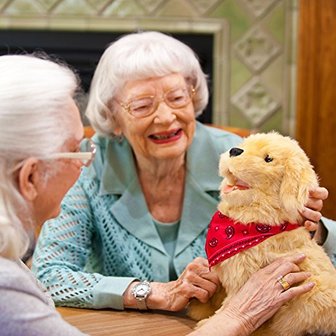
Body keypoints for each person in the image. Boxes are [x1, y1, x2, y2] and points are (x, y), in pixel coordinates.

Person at [0, 54, 317, 336]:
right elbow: (50, 275)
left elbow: (319, 243)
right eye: (142, 105)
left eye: (178, 97)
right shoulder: (93, 165)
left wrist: (307, 223)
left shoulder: (238, 157)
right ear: (115, 119)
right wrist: (232, 314)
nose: (166, 117)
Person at [0, 55, 90, 335]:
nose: (84, 163)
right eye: (75, 150)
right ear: (30, 177)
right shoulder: (6, 289)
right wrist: (231, 313)